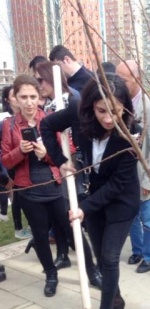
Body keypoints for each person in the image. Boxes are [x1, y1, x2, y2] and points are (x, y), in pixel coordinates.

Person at [41, 73, 140, 309]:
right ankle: (116, 298)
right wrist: (61, 159)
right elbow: (47, 127)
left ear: (125, 108)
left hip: (121, 202)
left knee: (109, 258)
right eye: (101, 111)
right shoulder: (77, 115)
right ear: (90, 107)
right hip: (95, 198)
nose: (109, 118)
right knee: (101, 258)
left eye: (116, 111)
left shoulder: (130, 135)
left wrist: (84, 207)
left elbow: (118, 184)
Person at [1, 75, 73, 297]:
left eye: (33, 96)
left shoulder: (51, 120)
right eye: (23, 97)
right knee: (41, 236)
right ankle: (51, 274)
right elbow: (5, 160)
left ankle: (92, 270)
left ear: (40, 97)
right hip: (29, 190)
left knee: (70, 228)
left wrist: (47, 153)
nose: (29, 102)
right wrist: (20, 150)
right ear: (15, 98)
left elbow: (68, 150)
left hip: (53, 185)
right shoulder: (9, 125)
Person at [34, 61, 101, 287]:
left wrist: (61, 156)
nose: (38, 85)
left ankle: (93, 271)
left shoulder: (73, 101)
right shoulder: (45, 108)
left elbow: (81, 140)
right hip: (51, 174)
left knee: (75, 219)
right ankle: (65, 256)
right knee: (62, 219)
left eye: (40, 80)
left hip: (74, 172)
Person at [116, 60, 150, 273]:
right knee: (131, 215)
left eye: (123, 80)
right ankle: (137, 249)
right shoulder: (118, 104)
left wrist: (149, 179)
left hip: (144, 174)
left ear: (137, 78)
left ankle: (149, 255)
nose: (118, 83)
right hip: (125, 175)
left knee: (148, 217)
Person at [1, 85, 32, 239]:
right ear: (8, 99)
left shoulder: (29, 117)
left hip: (29, 164)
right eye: (15, 96)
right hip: (13, 164)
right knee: (18, 196)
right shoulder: (5, 121)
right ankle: (19, 228)